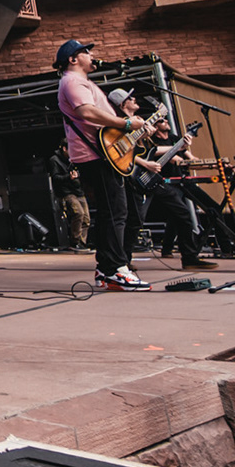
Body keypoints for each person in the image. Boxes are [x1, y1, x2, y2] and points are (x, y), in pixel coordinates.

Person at [53, 40, 150, 290]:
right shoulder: (73, 82)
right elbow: (87, 112)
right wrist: (126, 124)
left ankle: (109, 268)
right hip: (95, 155)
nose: (92, 55)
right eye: (86, 52)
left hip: (102, 153)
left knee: (115, 212)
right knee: (115, 212)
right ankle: (114, 269)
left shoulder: (81, 82)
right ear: (73, 59)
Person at [135, 106, 218, 270]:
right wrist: (148, 162)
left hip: (163, 181)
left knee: (183, 213)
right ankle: (122, 261)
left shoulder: (168, 139)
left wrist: (183, 149)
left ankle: (189, 258)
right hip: (151, 180)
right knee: (136, 219)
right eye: (160, 120)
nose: (165, 121)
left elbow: (180, 156)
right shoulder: (144, 141)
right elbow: (144, 154)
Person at [51, 143, 89, 250]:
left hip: (78, 191)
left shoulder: (74, 159)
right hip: (66, 192)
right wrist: (69, 177)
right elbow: (55, 178)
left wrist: (78, 175)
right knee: (78, 213)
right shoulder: (55, 160)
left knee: (86, 218)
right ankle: (75, 241)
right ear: (64, 148)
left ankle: (82, 242)